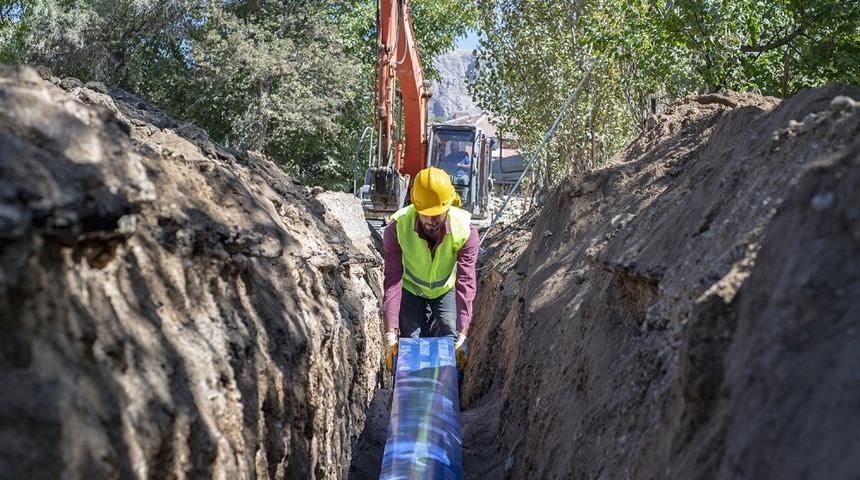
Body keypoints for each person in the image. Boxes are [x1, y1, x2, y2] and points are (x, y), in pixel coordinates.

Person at [382, 167, 479, 372]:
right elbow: (392, 279)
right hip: (411, 289)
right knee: (412, 342)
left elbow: (466, 282)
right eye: (426, 215)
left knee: (451, 340)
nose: (431, 221)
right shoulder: (397, 228)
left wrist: (463, 332)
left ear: (449, 206)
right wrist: (390, 331)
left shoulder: (465, 231)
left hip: (445, 289)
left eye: (437, 214)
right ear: (415, 206)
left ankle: (451, 392)